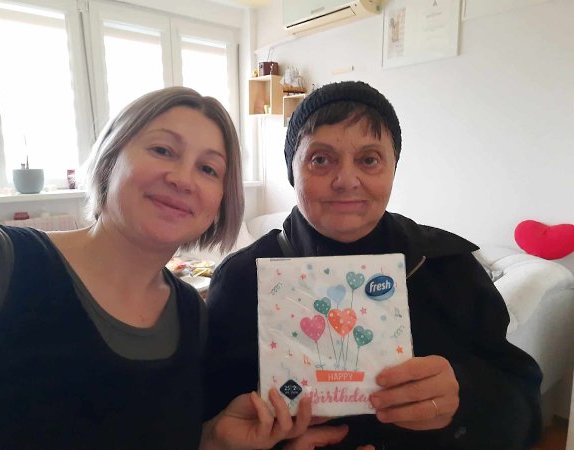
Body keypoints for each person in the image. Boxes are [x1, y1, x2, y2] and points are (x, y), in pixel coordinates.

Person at [205, 81, 543, 450]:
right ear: (292, 171)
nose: (346, 180)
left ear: (393, 169)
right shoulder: (241, 280)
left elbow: (524, 405)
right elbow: (206, 423)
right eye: (320, 159)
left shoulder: (447, 265)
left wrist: (466, 396)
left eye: (369, 159)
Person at [0, 86, 314, 449]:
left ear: (221, 202)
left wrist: (213, 439)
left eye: (208, 169)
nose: (183, 179)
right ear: (110, 158)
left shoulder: (190, 315)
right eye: (162, 150)